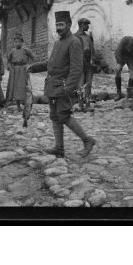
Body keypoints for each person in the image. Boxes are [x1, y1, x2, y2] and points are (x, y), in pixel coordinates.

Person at [27, 10, 96, 158]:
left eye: (61, 24)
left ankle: (87, 140)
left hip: (63, 87)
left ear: (69, 25)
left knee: (63, 115)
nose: (58, 27)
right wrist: (34, 67)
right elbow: (51, 63)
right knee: (54, 116)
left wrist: (68, 88)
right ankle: (59, 148)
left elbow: (77, 68)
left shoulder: (74, 42)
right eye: (57, 24)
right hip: (52, 86)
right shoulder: (58, 42)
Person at [6, 32, 34, 117]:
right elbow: (8, 60)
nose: (17, 43)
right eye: (16, 42)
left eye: (19, 41)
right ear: (14, 42)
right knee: (16, 88)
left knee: (25, 87)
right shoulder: (12, 51)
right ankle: (18, 106)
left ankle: (27, 106)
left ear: (22, 42)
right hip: (15, 71)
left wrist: (29, 66)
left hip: (23, 70)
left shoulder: (26, 50)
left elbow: (33, 57)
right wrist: (9, 66)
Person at [74, 17, 95, 111]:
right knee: (80, 85)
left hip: (89, 64)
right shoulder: (74, 37)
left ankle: (87, 105)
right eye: (86, 24)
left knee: (88, 85)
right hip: (79, 64)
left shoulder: (88, 37)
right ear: (82, 25)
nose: (88, 26)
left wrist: (93, 61)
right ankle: (80, 105)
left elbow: (92, 50)